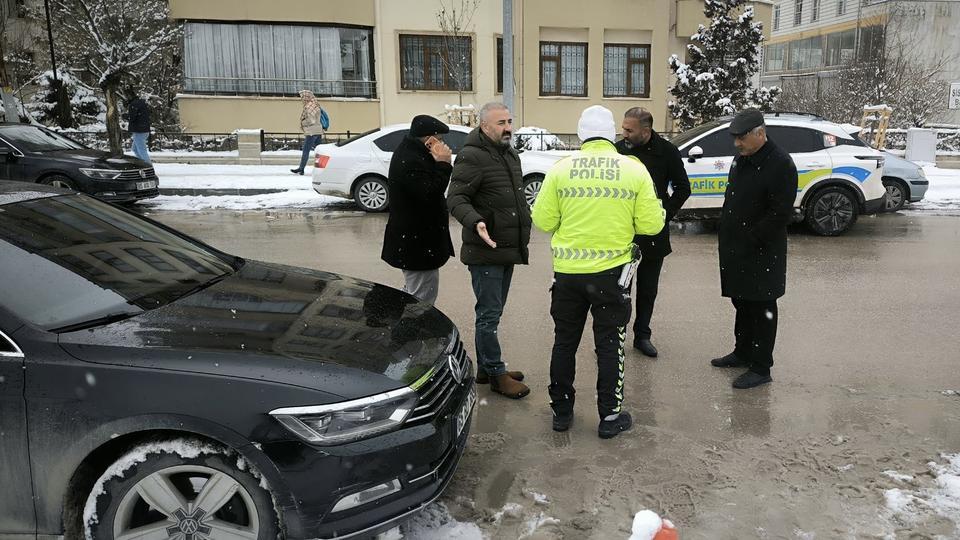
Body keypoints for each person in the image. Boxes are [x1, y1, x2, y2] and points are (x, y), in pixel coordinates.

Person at [532, 105, 665, 438]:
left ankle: (561, 413)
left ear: (581, 133)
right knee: (609, 345)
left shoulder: (561, 169)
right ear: (611, 134)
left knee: (564, 343)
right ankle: (609, 416)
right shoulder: (633, 169)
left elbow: (543, 221)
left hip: (567, 275)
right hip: (611, 276)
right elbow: (651, 225)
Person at [710, 108, 798, 389]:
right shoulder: (743, 158)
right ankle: (743, 351)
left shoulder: (781, 164)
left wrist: (752, 239)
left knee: (762, 307)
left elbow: (780, 213)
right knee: (742, 302)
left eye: (742, 138)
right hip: (736, 247)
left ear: (760, 133)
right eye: (734, 138)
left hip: (762, 251)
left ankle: (761, 367)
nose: (737, 143)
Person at [447, 102, 530, 399]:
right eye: (501, 123)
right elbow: (456, 199)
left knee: (493, 312)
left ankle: (485, 368)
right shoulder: (472, 156)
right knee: (489, 315)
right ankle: (496, 374)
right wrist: (476, 222)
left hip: (507, 248)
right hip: (486, 251)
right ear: (484, 126)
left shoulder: (509, 153)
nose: (508, 128)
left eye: (509, 121)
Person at [615, 107, 691, 358]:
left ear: (646, 131)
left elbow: (683, 188)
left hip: (653, 234)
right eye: (623, 128)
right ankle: (615, 337)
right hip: (623, 232)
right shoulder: (618, 151)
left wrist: (662, 216)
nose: (624, 133)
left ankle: (642, 336)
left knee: (648, 290)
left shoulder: (667, 152)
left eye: (629, 130)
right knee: (620, 289)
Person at [381, 115, 455, 305]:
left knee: (414, 293)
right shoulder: (411, 160)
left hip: (417, 243)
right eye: (440, 139)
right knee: (422, 300)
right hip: (417, 246)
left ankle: (407, 319)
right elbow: (430, 192)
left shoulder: (414, 153)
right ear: (429, 140)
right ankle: (415, 324)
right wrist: (444, 164)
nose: (442, 144)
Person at [291, 90, 325, 175]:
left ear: (306, 97)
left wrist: (303, 123)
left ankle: (301, 168)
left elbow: (311, 120)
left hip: (311, 132)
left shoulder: (308, 107)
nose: (302, 99)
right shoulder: (316, 105)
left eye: (303, 97)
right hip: (318, 131)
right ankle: (322, 169)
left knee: (306, 150)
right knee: (319, 151)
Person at [127, 93, 151, 163]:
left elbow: (132, 117)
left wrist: (125, 116)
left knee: (142, 150)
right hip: (145, 130)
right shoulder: (142, 103)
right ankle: (142, 164)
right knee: (135, 149)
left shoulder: (134, 105)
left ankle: (148, 165)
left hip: (139, 131)